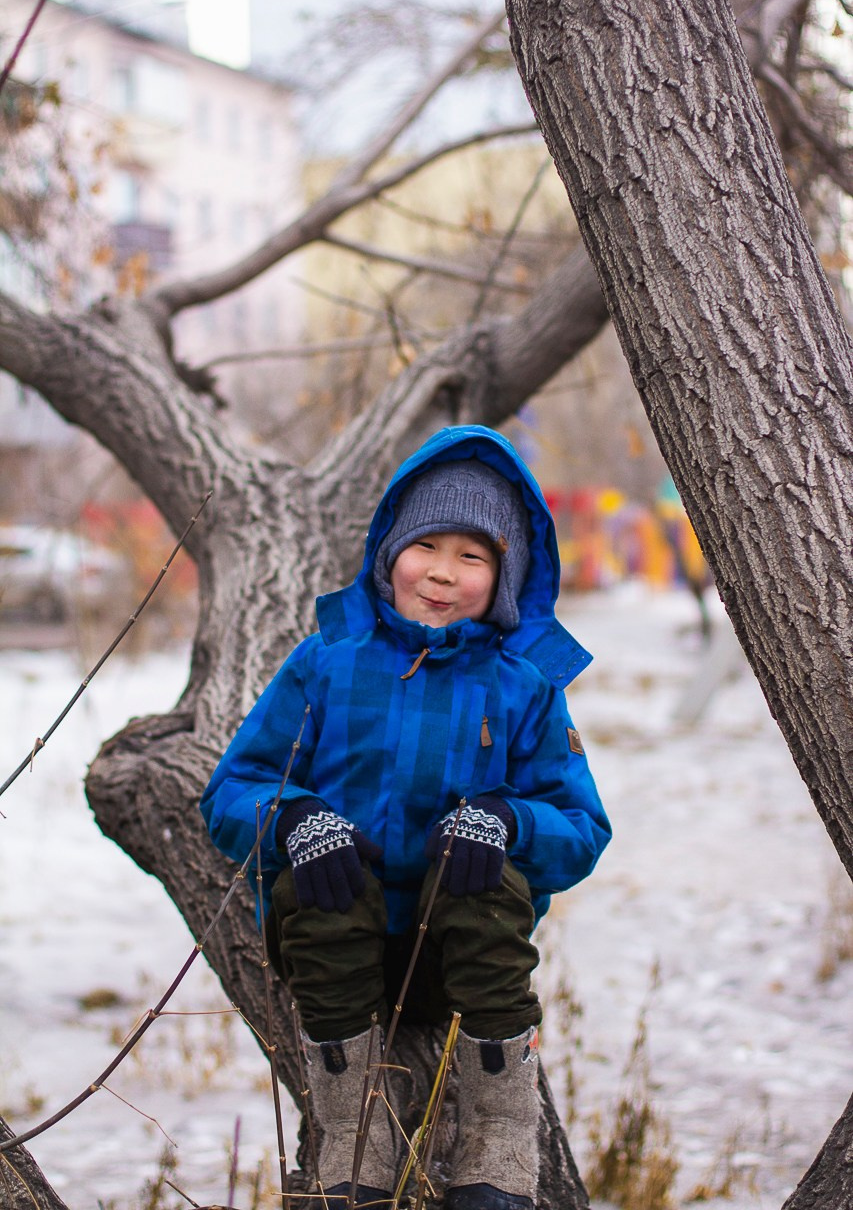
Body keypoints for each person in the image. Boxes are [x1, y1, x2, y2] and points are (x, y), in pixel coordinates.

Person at [200, 424, 611, 1210]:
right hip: (333, 961)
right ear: (388, 550)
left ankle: (497, 1139)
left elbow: (580, 825)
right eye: (426, 545)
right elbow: (232, 789)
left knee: (483, 879)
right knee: (316, 875)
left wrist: (509, 823)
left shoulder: (522, 684)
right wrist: (292, 820)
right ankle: (354, 1134)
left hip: (457, 971)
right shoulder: (326, 663)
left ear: (505, 577)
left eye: (472, 556)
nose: (442, 572)